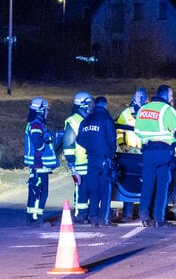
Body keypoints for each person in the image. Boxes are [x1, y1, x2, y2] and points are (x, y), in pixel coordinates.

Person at [133, 84, 176, 227]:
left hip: (147, 152)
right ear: (165, 95)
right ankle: (159, 218)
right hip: (163, 153)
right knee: (162, 186)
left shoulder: (143, 109)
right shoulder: (167, 110)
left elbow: (137, 131)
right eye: (171, 95)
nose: (172, 98)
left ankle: (144, 214)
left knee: (147, 184)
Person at [76, 96, 116, 226]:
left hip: (91, 159)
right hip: (104, 159)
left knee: (93, 190)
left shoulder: (86, 120)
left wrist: (91, 147)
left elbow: (79, 140)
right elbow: (112, 140)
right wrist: (109, 155)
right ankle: (104, 219)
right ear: (105, 106)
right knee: (105, 190)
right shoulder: (106, 120)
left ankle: (93, 217)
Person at [24, 97, 60, 224]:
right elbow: (36, 141)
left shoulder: (35, 122)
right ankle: (35, 218)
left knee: (36, 191)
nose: (47, 113)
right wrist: (45, 143)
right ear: (41, 110)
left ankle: (32, 217)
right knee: (41, 192)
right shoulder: (36, 123)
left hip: (37, 164)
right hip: (39, 164)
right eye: (46, 110)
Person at [113, 88, 147, 222]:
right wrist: (122, 144)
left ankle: (143, 213)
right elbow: (119, 131)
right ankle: (127, 214)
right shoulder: (126, 113)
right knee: (128, 182)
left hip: (144, 153)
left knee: (145, 183)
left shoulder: (147, 112)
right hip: (129, 153)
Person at [62, 91, 92, 216]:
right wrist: (71, 162)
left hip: (89, 161)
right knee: (81, 190)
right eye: (89, 105)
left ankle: (86, 213)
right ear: (83, 106)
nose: (91, 107)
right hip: (79, 162)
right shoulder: (73, 121)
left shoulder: (87, 119)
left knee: (89, 189)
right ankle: (80, 214)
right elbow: (68, 144)